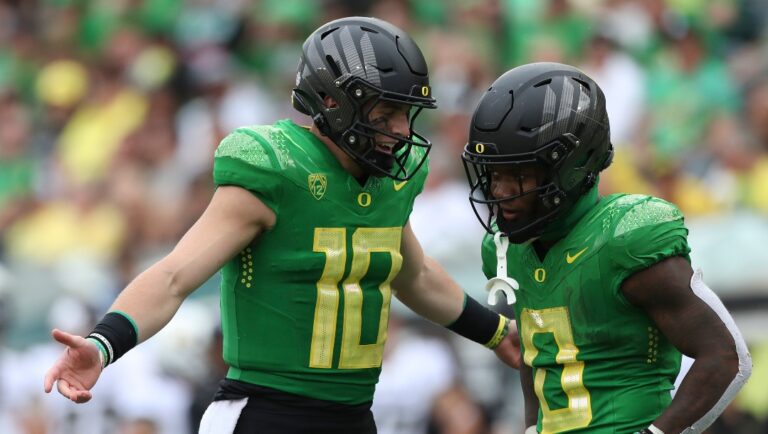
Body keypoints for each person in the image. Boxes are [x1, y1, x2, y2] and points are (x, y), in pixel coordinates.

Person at [43, 17, 520, 434]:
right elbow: (174, 276)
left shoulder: (390, 182)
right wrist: (104, 344)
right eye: (385, 113)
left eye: (404, 113)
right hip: (265, 414)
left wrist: (497, 333)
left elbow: (412, 274)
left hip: (354, 416)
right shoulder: (275, 170)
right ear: (333, 104)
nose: (400, 131)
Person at [461, 62, 752, 434]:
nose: (500, 192)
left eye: (519, 174)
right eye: (494, 173)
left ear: (572, 167)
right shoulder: (506, 250)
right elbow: (538, 357)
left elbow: (726, 358)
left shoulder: (624, 239)